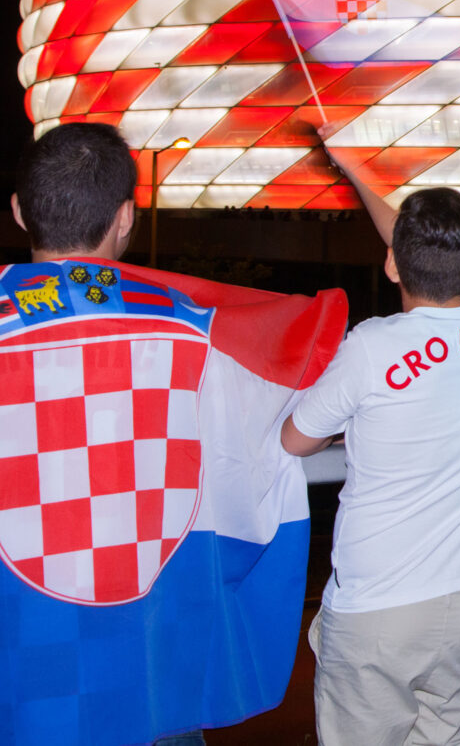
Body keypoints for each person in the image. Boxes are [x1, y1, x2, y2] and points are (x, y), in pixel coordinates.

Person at [2, 123, 346, 746]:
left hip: (23, 675)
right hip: (153, 676)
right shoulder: (198, 332)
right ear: (127, 218)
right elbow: (310, 395)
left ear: (20, 212)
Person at [281, 142, 460, 746]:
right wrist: (356, 169)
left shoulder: (370, 347)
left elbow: (295, 439)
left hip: (377, 609)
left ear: (390, 267)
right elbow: (423, 246)